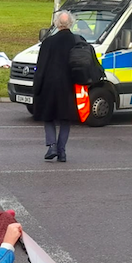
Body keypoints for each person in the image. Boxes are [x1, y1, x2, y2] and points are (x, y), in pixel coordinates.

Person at [33, 10, 79, 162]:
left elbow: (41, 67)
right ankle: (62, 151)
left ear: (56, 23)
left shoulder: (48, 42)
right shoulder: (78, 41)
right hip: (70, 86)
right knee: (65, 119)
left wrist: (36, 88)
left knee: (49, 117)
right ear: (71, 23)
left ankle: (52, 145)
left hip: (50, 85)